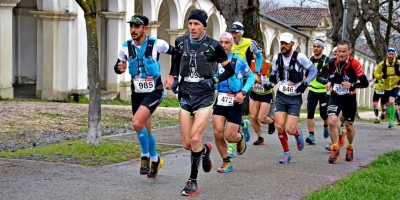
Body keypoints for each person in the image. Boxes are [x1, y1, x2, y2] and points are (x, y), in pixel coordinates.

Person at [164, 9, 235, 196]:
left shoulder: (214, 46)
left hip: (205, 95)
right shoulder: (181, 42)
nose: (193, 27)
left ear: (204, 26)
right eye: (190, 23)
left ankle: (192, 181)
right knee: (187, 143)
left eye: (196, 24)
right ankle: (205, 150)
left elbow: (230, 70)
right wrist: (174, 76)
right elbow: (176, 59)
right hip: (185, 94)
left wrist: (213, 81)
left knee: (195, 137)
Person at [114, 15, 176, 178]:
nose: (133, 30)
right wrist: (120, 68)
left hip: (154, 91)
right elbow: (118, 65)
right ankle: (155, 159)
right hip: (137, 93)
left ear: (145, 29)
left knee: (136, 122)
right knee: (145, 128)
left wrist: (171, 76)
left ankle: (145, 156)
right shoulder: (125, 47)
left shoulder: (157, 44)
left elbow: (177, 54)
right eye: (131, 27)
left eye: (137, 27)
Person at [266, 32, 317, 164]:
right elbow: (275, 73)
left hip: (295, 97)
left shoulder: (300, 57)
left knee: (290, 129)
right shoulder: (277, 58)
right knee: (280, 126)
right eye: (281, 43)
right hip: (282, 95)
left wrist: (305, 84)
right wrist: (270, 81)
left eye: (285, 44)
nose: (283, 46)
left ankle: (297, 133)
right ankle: (286, 153)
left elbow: (313, 71)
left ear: (292, 44)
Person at [212, 32, 255, 173]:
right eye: (221, 42)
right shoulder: (214, 61)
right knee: (218, 133)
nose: (223, 45)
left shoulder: (239, 61)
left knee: (229, 136)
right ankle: (226, 162)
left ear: (231, 44)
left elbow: (251, 78)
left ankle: (240, 136)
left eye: (227, 42)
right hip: (220, 99)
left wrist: (243, 92)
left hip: (236, 100)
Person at [323, 40, 369, 164]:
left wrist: (352, 84)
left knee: (348, 125)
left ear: (350, 51)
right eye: (339, 51)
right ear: (336, 51)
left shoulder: (355, 64)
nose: (341, 54)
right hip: (335, 95)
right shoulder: (332, 62)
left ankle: (350, 146)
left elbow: (365, 83)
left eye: (344, 51)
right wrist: (328, 82)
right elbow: (326, 75)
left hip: (349, 97)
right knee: (332, 121)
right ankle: (335, 148)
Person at [229, 21, 272, 148]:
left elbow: (258, 57)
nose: (233, 35)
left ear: (241, 33)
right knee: (230, 108)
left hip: (244, 81)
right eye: (232, 32)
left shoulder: (250, 43)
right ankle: (243, 124)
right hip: (230, 80)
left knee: (236, 106)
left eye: (236, 32)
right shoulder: (228, 43)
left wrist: (257, 71)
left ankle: (232, 145)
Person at [316, 46, 347, 151]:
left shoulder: (346, 66)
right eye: (334, 53)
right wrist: (328, 82)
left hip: (341, 96)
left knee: (333, 119)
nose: (336, 55)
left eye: (337, 53)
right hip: (329, 94)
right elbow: (319, 76)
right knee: (330, 118)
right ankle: (340, 133)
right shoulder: (330, 64)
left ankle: (332, 143)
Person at [305, 39, 330, 145]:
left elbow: (330, 74)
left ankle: (326, 126)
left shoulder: (327, 60)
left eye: (318, 46)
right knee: (310, 112)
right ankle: (311, 135)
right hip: (312, 90)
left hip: (323, 91)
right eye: (314, 46)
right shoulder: (309, 60)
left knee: (323, 114)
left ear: (322, 48)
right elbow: (306, 74)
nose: (316, 48)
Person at [373, 47, 400, 128]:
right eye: (389, 54)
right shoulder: (382, 64)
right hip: (386, 86)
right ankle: (391, 118)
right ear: (387, 54)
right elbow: (376, 74)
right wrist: (380, 76)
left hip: (396, 85)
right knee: (388, 104)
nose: (391, 56)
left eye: (392, 54)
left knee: (392, 101)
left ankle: (391, 120)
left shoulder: (398, 63)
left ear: (394, 55)